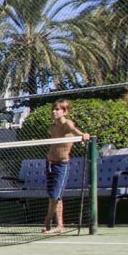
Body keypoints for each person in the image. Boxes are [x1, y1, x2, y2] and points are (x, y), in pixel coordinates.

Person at [43, 99, 90, 234]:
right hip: (49, 163)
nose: (54, 111)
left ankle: (49, 222)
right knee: (54, 195)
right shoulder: (52, 128)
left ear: (65, 112)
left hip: (62, 165)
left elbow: (76, 132)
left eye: (57, 109)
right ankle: (57, 224)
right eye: (53, 109)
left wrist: (83, 136)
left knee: (55, 196)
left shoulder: (67, 124)